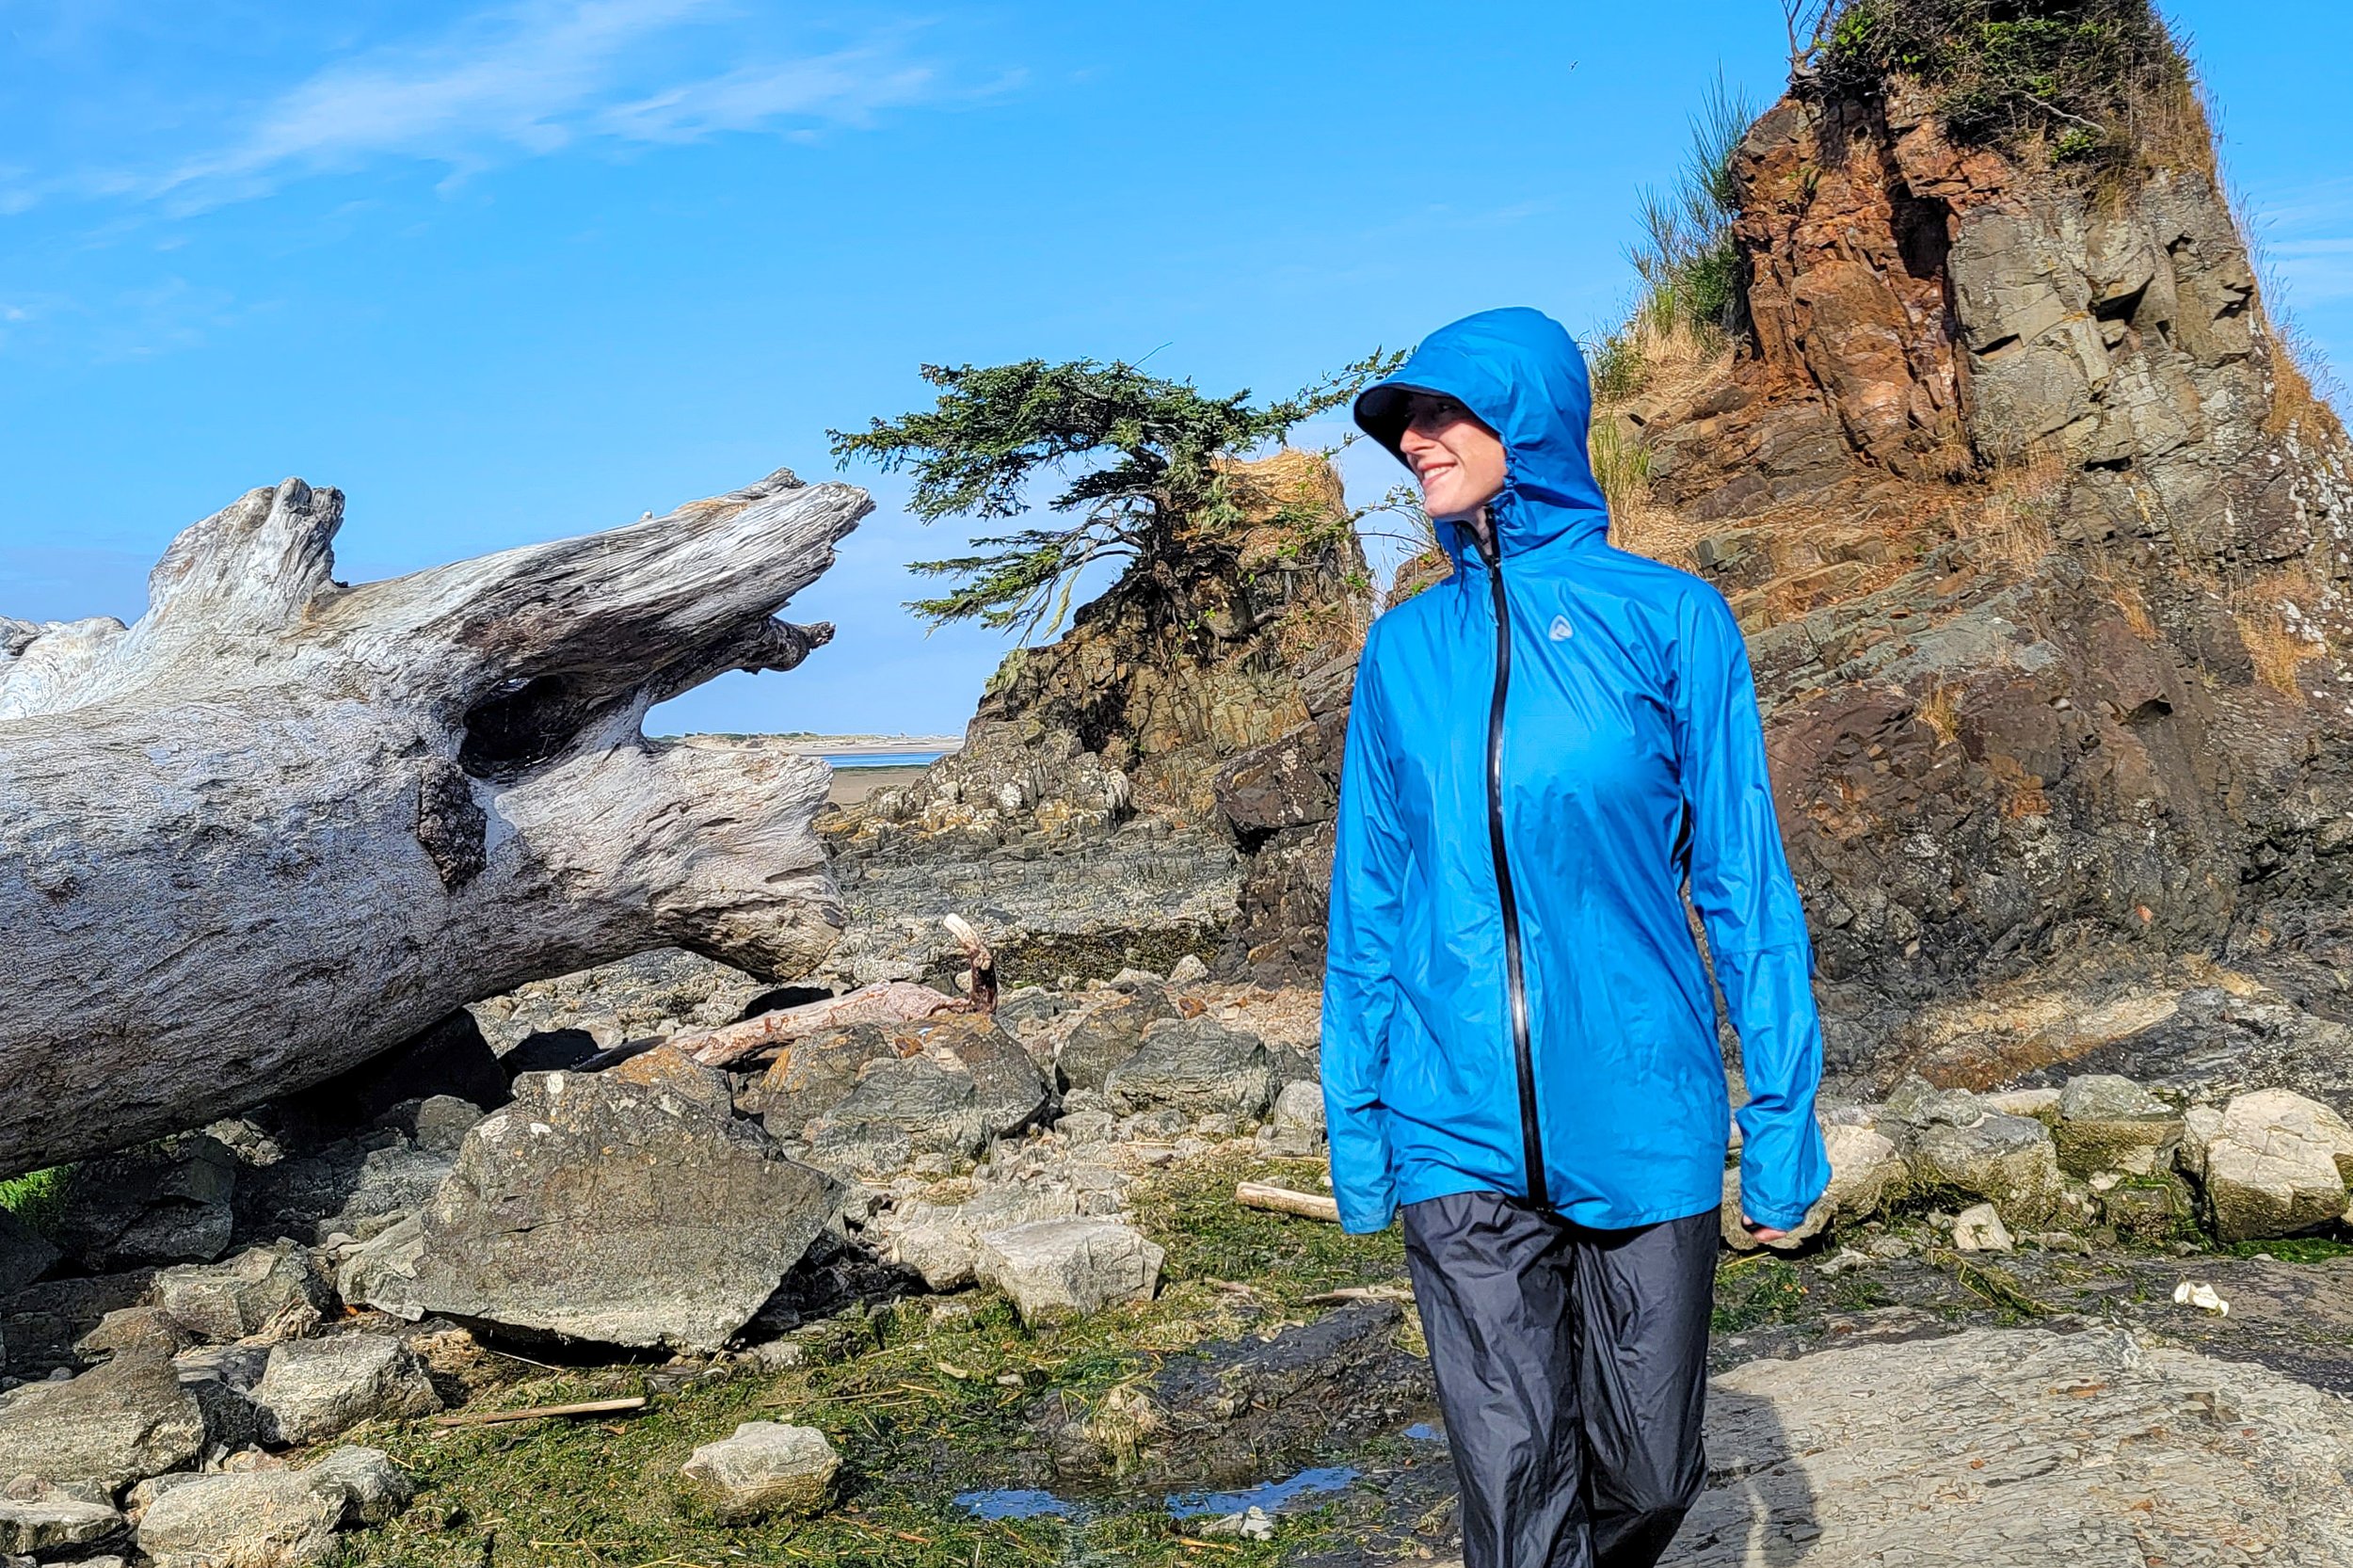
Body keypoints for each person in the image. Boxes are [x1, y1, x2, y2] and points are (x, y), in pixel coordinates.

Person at [1321, 306, 1830, 1568]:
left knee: (1651, 1473)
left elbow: (1745, 886)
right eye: (1405, 424)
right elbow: (1369, 897)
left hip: (1644, 1109)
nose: (1418, 442)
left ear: (1533, 417)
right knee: (1511, 1485)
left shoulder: (1671, 621)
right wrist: (1358, 1113)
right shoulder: (1404, 653)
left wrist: (1781, 1119)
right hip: (1453, 1124)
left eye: (1447, 412)